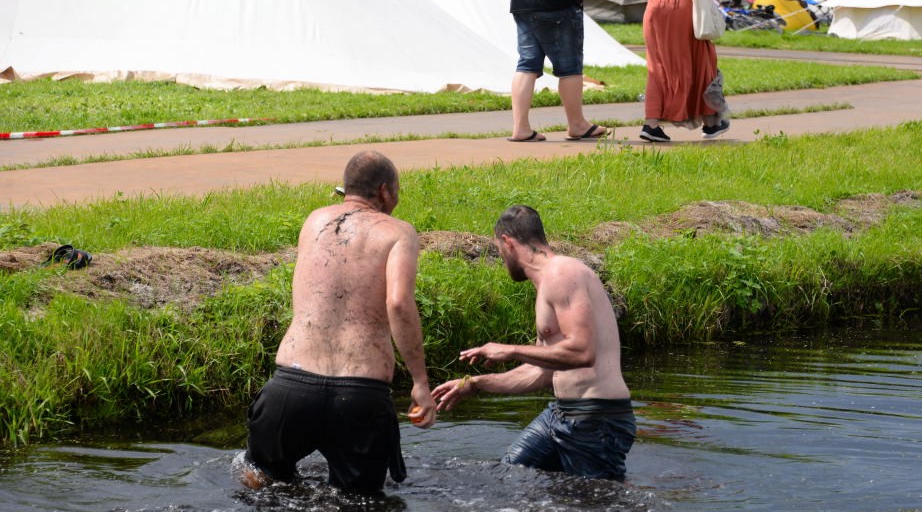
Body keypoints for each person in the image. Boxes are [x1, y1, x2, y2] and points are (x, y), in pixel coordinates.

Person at [245, 150, 437, 494]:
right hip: (360, 393)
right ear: (385, 191)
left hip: (290, 388)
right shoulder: (398, 232)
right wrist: (420, 382)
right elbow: (398, 302)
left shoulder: (314, 220)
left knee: (261, 485)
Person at [432, 205, 635, 480]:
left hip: (597, 420)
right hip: (561, 414)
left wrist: (512, 350)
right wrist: (476, 384)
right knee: (510, 477)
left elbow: (582, 352)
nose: (502, 259)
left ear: (507, 242)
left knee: (598, 511)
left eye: (499, 250)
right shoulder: (544, 286)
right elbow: (541, 372)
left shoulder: (562, 272)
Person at [509, 0, 621, 143]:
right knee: (569, 68)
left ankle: (521, 127)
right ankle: (577, 124)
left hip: (524, 1)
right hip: (556, 2)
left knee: (527, 64)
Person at [638, 0, 731, 143]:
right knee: (701, 58)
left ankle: (651, 123)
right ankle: (711, 120)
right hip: (683, 0)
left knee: (657, 65)